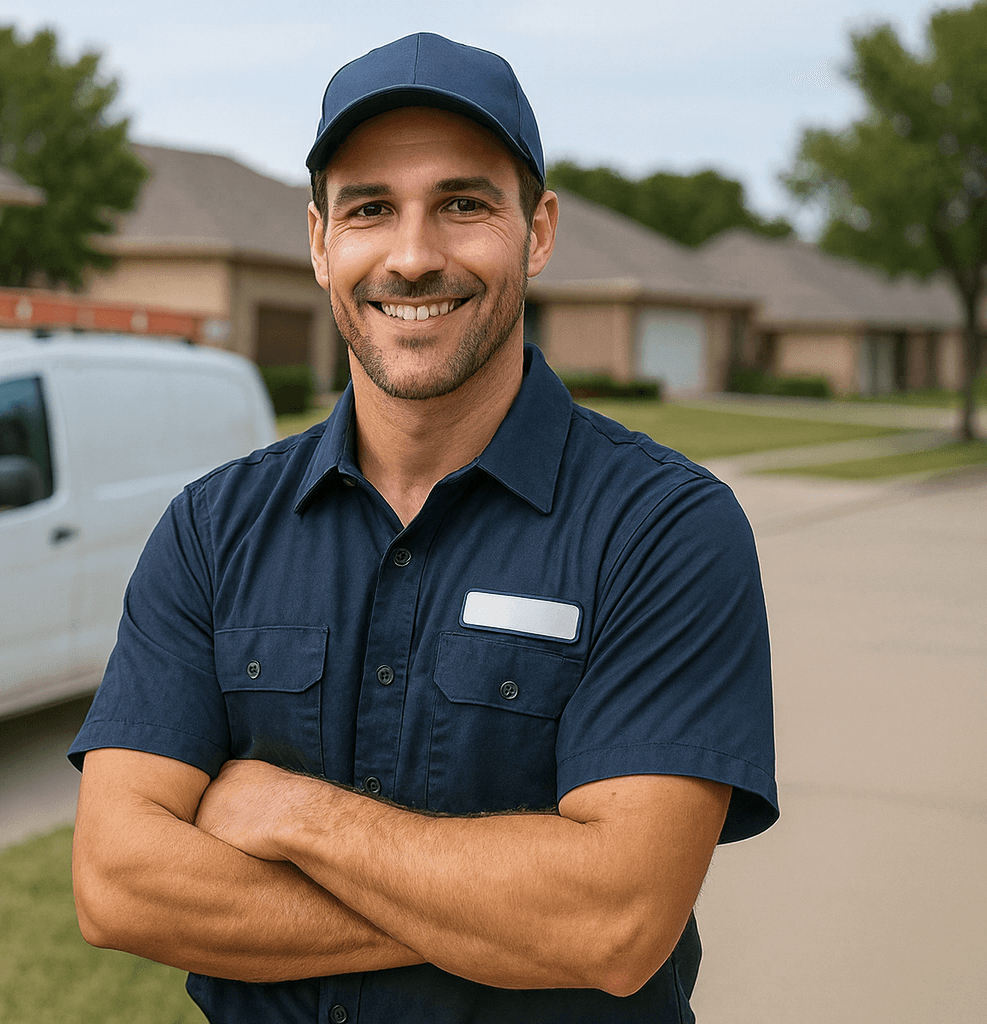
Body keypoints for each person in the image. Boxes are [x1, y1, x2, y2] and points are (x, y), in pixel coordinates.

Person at [69, 32, 777, 1024]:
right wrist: (506, 918)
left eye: (462, 203)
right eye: (369, 209)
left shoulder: (662, 530)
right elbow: (118, 882)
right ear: (320, 244)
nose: (413, 256)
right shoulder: (212, 531)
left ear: (537, 231)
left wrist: (292, 811)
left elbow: (616, 920)